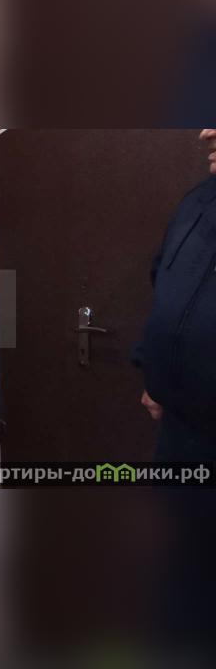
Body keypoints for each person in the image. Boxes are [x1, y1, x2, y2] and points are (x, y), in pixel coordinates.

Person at [135, 129, 216, 461]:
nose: (206, 133)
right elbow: (166, 289)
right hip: (179, 430)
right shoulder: (195, 202)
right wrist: (155, 373)